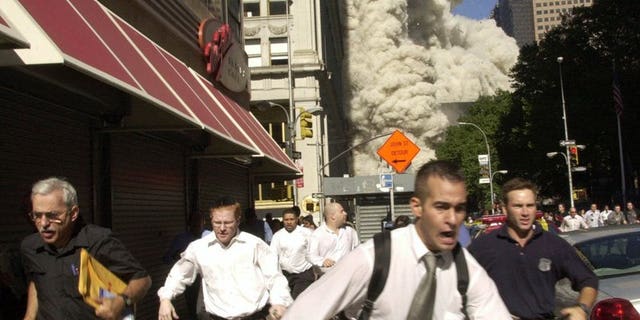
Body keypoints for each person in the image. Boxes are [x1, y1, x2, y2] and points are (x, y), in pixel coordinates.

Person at [282, 160, 510, 319]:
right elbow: (305, 312)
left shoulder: (466, 269)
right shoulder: (376, 258)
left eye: (460, 208)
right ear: (417, 207)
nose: (452, 219)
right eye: (441, 207)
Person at [20, 177, 151, 320]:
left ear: (74, 213)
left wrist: (122, 300)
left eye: (52, 215)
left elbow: (142, 279)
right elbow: (36, 282)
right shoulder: (30, 247)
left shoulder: (98, 241)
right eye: (37, 216)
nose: (43, 223)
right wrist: (29, 316)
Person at [468, 178, 598, 320]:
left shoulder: (553, 244)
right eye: (518, 206)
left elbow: (588, 280)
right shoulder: (483, 247)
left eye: (530, 205)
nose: (525, 212)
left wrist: (582, 308)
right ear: (505, 209)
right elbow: (455, 291)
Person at [157, 196, 292, 320]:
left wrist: (279, 301)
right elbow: (179, 275)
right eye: (217, 222)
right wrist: (165, 299)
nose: (222, 228)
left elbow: (274, 276)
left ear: (238, 221)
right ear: (211, 220)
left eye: (227, 223)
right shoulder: (198, 248)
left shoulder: (254, 245)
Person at [162, 212, 204, 320]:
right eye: (194, 223)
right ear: (189, 224)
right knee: (193, 310)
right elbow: (167, 258)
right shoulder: (181, 239)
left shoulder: (209, 237)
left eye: (199, 223)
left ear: (204, 222)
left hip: (206, 280)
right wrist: (179, 260)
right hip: (191, 282)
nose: (197, 226)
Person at [269, 207, 315, 299]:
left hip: (303, 274)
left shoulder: (307, 233)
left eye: (291, 219)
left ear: (296, 220)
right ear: (283, 221)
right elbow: (272, 256)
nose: (289, 222)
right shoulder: (278, 236)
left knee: (297, 300)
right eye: (286, 220)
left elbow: (314, 252)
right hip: (285, 275)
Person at [308, 202, 359, 275]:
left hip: (348, 276)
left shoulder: (350, 231)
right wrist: (322, 261)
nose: (345, 213)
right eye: (341, 211)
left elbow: (357, 251)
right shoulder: (317, 234)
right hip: (327, 278)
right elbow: (310, 255)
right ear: (333, 216)